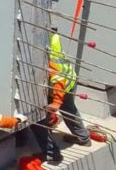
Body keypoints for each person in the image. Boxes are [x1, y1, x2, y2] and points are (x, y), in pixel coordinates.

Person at [31, 33, 91, 165]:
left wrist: (57, 101)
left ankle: (51, 153)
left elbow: (58, 78)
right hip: (70, 80)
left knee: (38, 119)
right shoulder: (51, 38)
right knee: (69, 109)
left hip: (60, 84)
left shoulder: (44, 52)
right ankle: (83, 137)